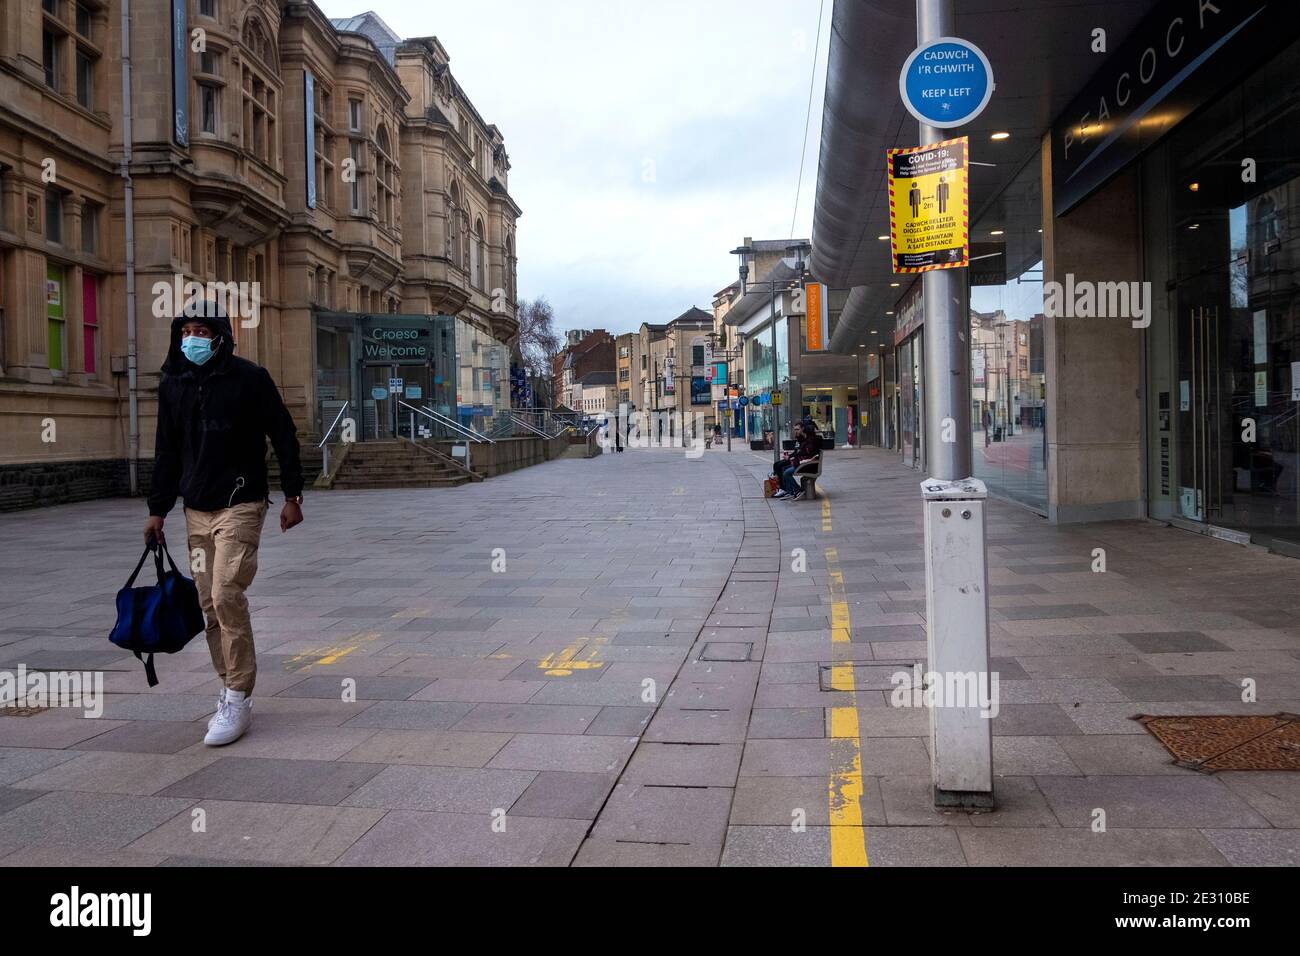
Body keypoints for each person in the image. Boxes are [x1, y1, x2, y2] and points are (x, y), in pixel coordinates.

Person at [143, 303, 304, 747]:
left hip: (241, 500)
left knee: (226, 592)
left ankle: (238, 696)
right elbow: (166, 449)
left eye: (202, 331)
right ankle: (228, 684)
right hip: (196, 507)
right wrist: (157, 508)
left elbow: (284, 434)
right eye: (186, 330)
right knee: (208, 604)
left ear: (219, 337)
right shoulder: (173, 382)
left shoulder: (249, 378)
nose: (192, 338)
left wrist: (293, 495)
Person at [774, 419, 821, 501]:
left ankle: (797, 490)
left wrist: (793, 460)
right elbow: (799, 452)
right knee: (783, 468)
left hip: (808, 465)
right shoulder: (802, 439)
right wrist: (792, 458)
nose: (796, 431)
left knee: (786, 472)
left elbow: (806, 455)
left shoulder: (810, 440)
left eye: (797, 429)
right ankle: (790, 490)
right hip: (803, 463)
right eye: (795, 429)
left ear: (803, 429)